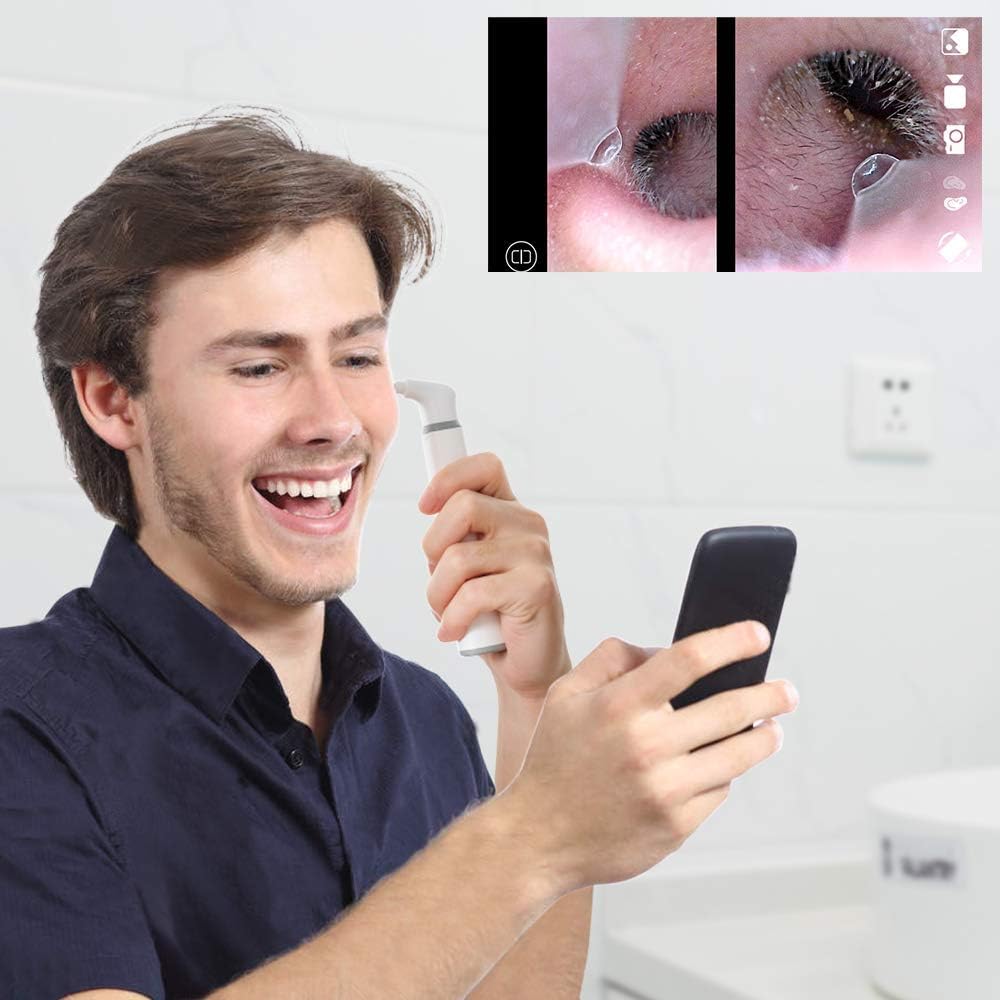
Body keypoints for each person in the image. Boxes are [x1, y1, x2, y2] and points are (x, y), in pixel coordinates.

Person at [0, 107, 799, 1000]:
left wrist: (536, 702)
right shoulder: (19, 727)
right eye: (260, 367)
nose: (334, 421)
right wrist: (534, 833)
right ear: (113, 401)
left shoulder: (423, 721)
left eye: (358, 354)